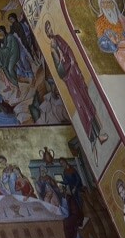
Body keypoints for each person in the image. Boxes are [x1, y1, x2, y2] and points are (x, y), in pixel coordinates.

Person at [46, 21, 108, 161]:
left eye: (50, 27)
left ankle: (99, 135)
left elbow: (68, 50)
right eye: (47, 29)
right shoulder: (52, 48)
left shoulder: (58, 38)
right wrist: (63, 61)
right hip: (70, 79)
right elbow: (60, 70)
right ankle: (93, 138)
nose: (50, 30)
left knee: (87, 101)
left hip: (74, 74)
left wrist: (69, 60)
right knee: (81, 105)